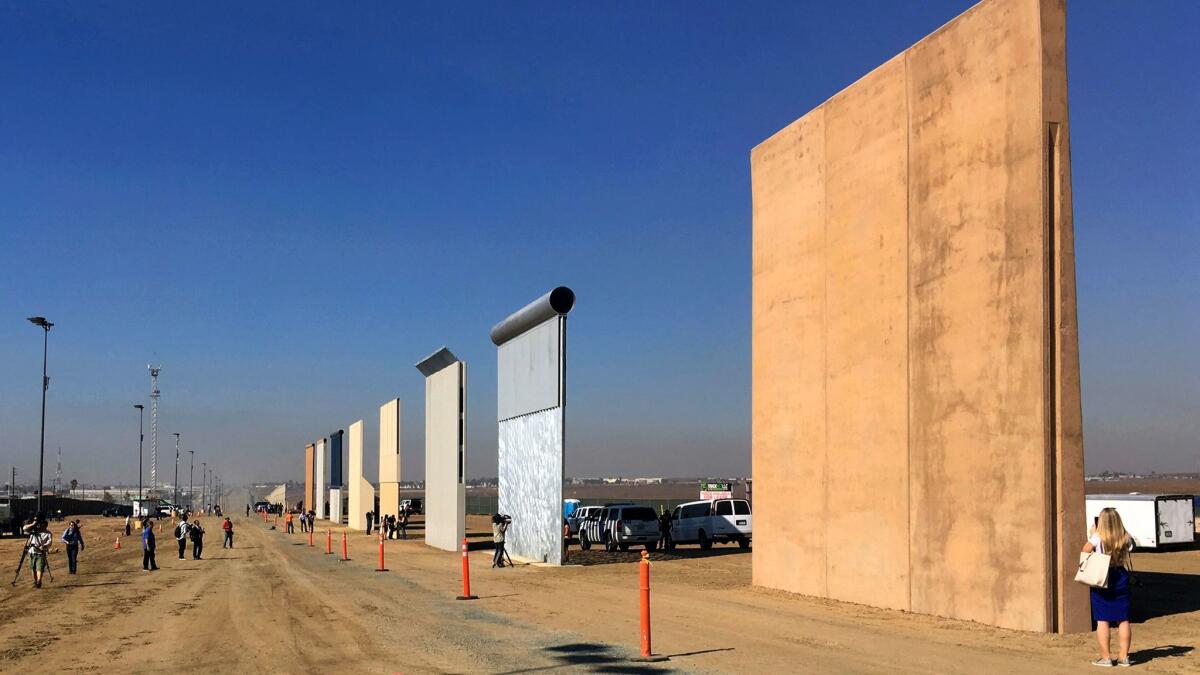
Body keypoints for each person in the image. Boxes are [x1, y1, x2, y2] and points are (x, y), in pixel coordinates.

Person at [1084, 507, 1135, 667]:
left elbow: (1085, 550)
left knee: (1102, 619)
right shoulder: (1124, 536)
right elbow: (1132, 546)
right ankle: (1123, 656)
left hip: (1103, 576)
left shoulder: (1098, 537)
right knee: (1123, 619)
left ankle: (1106, 657)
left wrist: (1093, 534)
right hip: (1120, 575)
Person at [23, 517, 53, 588]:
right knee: (33, 568)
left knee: (39, 568)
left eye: (43, 525)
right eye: (40, 525)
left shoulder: (48, 533)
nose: (41, 526)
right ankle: (35, 581)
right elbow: (24, 528)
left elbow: (50, 542)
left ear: (46, 525)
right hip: (32, 552)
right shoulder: (34, 531)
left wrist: (44, 546)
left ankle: (39, 581)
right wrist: (33, 523)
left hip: (41, 553)